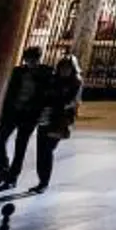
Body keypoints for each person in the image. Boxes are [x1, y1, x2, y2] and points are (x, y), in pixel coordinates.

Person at [0, 47, 53, 193]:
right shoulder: (18, 72)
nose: (30, 62)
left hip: (29, 116)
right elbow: (9, 91)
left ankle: (12, 178)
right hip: (13, 112)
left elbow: (46, 95)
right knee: (0, 141)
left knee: (20, 146)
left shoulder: (46, 74)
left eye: (33, 59)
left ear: (39, 59)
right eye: (28, 59)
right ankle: (4, 171)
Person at [30, 54, 82, 194]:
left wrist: (56, 102)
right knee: (41, 150)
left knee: (47, 150)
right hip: (45, 117)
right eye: (62, 67)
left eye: (68, 68)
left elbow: (71, 102)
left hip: (59, 120)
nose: (64, 71)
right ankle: (41, 180)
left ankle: (44, 182)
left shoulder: (75, 83)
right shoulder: (53, 80)